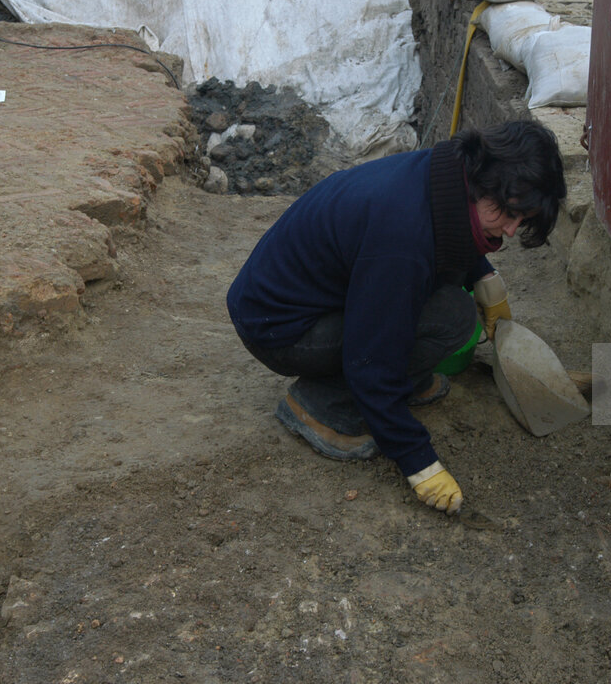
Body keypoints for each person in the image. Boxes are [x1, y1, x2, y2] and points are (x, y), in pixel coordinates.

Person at [227, 120, 566, 515]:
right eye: (505, 213)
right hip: (280, 329)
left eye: (520, 219)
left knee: (447, 302)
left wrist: (483, 275)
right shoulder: (401, 239)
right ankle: (323, 406)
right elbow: (372, 356)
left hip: (297, 297)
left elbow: (450, 232)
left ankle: (395, 383)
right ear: (481, 181)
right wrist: (419, 462)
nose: (509, 229)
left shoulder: (446, 171)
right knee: (452, 318)